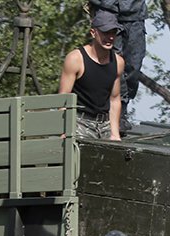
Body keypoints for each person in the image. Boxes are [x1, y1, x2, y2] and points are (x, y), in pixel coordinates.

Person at [58, 10, 125, 140]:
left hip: (105, 125)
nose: (110, 37)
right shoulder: (76, 59)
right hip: (79, 123)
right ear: (93, 33)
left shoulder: (118, 62)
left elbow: (115, 99)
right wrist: (63, 129)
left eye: (113, 33)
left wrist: (115, 133)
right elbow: (63, 98)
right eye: (105, 32)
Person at [88, 1, 147, 132]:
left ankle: (122, 108)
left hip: (135, 13)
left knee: (134, 66)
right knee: (112, 63)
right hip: (107, 10)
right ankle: (118, 113)